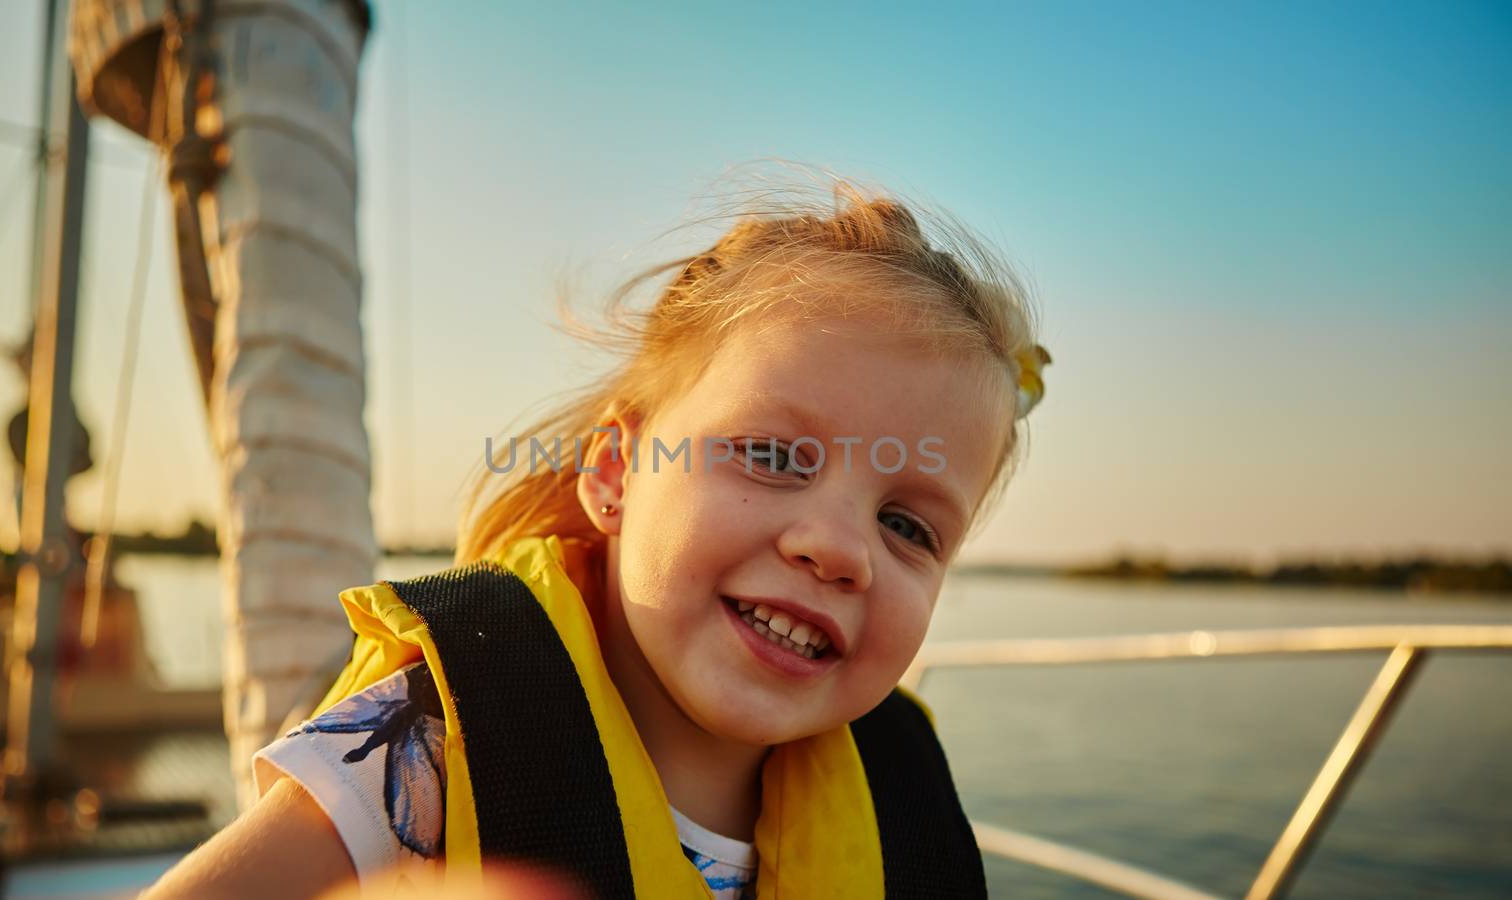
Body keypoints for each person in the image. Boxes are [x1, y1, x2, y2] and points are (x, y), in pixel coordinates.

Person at [145, 175, 1050, 899]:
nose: (842, 548)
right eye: (774, 455)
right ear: (616, 471)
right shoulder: (423, 748)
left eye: (907, 526)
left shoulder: (904, 796)